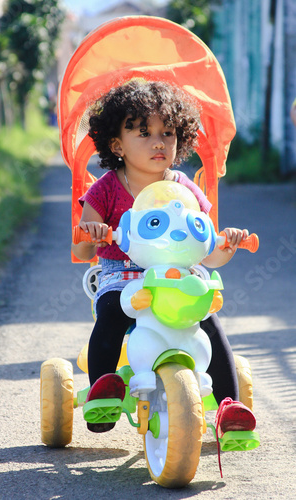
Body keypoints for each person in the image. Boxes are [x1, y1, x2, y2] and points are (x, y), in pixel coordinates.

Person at [72, 80, 256, 436]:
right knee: (111, 312)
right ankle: (104, 389)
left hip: (177, 274)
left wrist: (227, 245)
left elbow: (210, 254)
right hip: (122, 275)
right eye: (143, 132)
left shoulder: (184, 189)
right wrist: (91, 235)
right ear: (116, 144)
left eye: (167, 133)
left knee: (208, 318)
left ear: (180, 138)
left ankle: (231, 407)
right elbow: (80, 250)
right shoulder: (107, 187)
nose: (158, 142)